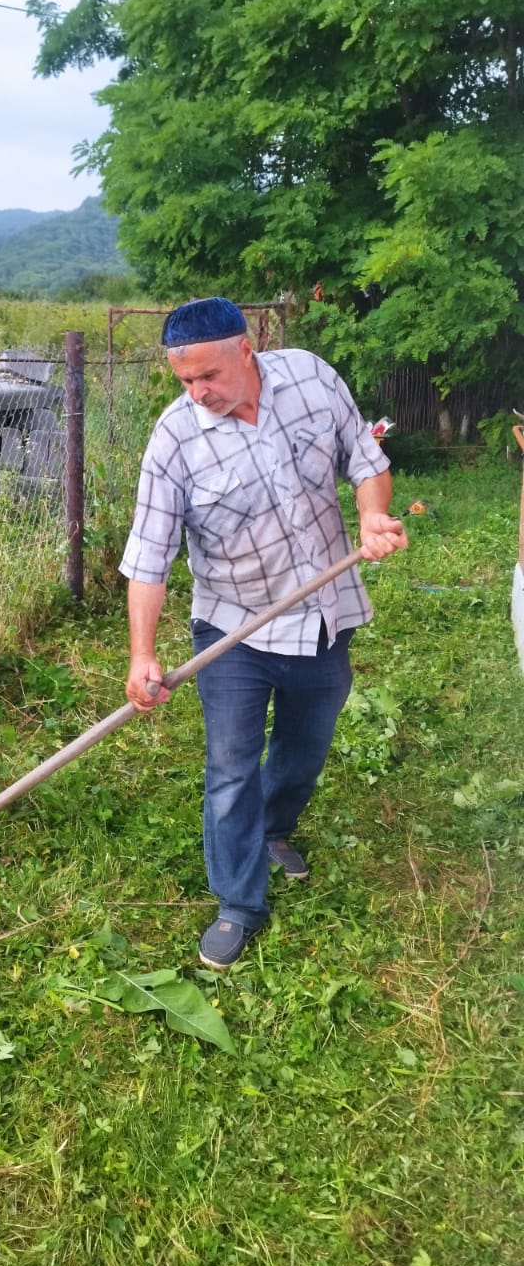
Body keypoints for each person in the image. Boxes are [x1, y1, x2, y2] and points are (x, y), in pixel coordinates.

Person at [120, 296, 408, 970]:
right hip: (234, 630)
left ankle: (274, 827)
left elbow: (367, 465)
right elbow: (148, 559)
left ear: (246, 350)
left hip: (322, 613)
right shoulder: (174, 441)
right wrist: (141, 654)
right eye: (185, 381)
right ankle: (238, 904)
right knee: (229, 770)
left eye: (209, 377)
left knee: (307, 745)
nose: (199, 393)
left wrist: (371, 517)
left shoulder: (311, 378)